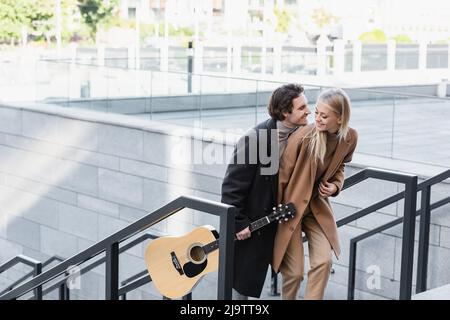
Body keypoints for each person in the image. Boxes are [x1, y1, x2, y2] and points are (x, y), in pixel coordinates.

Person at [221, 83, 310, 299]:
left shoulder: (305, 134)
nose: (309, 111)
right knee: (242, 288)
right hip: (255, 225)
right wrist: (239, 222)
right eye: (302, 108)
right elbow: (232, 188)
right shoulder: (254, 139)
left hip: (285, 219)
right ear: (284, 113)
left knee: (295, 274)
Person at [273, 88, 358, 300]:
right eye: (317, 112)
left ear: (340, 118)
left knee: (323, 262)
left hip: (317, 208)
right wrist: (276, 212)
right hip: (290, 209)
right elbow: (283, 175)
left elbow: (340, 166)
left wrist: (335, 186)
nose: (317, 118)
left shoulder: (349, 137)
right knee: (293, 273)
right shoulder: (303, 137)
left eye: (324, 115)